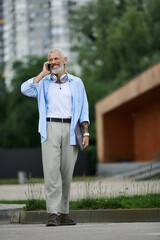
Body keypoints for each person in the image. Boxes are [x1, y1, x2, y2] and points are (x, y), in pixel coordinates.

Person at [21, 49, 90, 226]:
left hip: (71, 128)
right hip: (49, 127)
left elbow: (84, 108)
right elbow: (25, 89)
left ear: (65, 60)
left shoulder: (77, 82)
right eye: (50, 60)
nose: (53, 62)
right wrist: (43, 73)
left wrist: (86, 132)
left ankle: (64, 214)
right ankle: (53, 213)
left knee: (66, 173)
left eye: (56, 59)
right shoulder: (43, 82)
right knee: (51, 172)